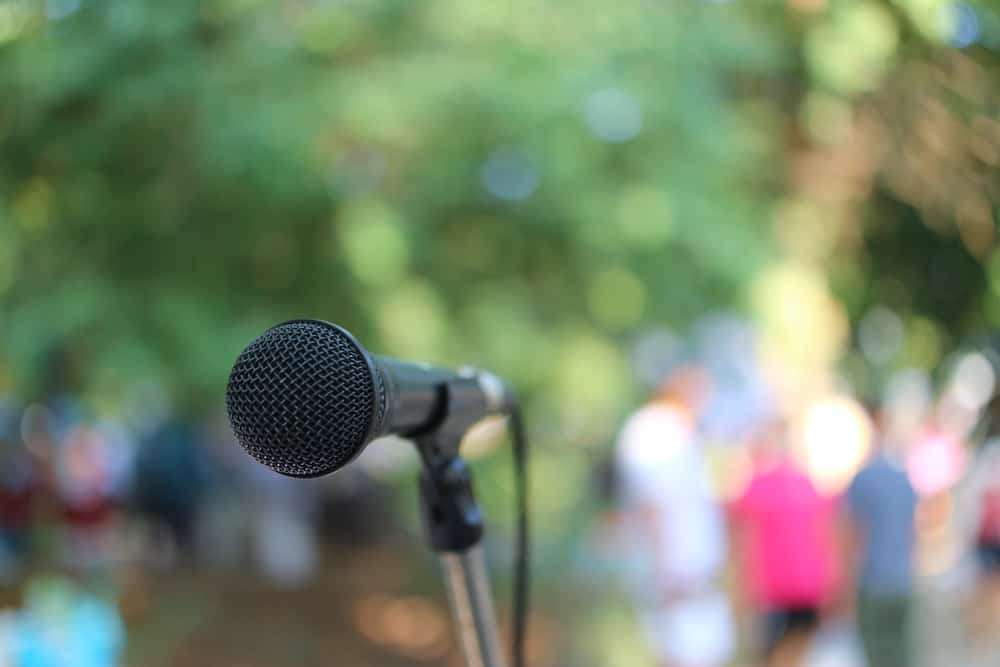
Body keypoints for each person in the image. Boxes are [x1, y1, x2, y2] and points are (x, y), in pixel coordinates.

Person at [615, 367, 733, 667]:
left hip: (692, 576)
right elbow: (653, 504)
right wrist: (665, 572)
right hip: (676, 577)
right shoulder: (655, 431)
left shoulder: (680, 432)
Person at [729, 419, 840, 667]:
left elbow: (742, 538)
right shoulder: (807, 484)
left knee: (775, 653)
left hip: (778, 588)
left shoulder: (762, 484)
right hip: (799, 586)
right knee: (792, 651)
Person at [845, 408, 917, 667]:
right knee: (900, 653)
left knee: (875, 654)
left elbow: (854, 534)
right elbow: (912, 531)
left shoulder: (863, 479)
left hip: (873, 580)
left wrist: (845, 585)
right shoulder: (904, 479)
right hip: (901, 579)